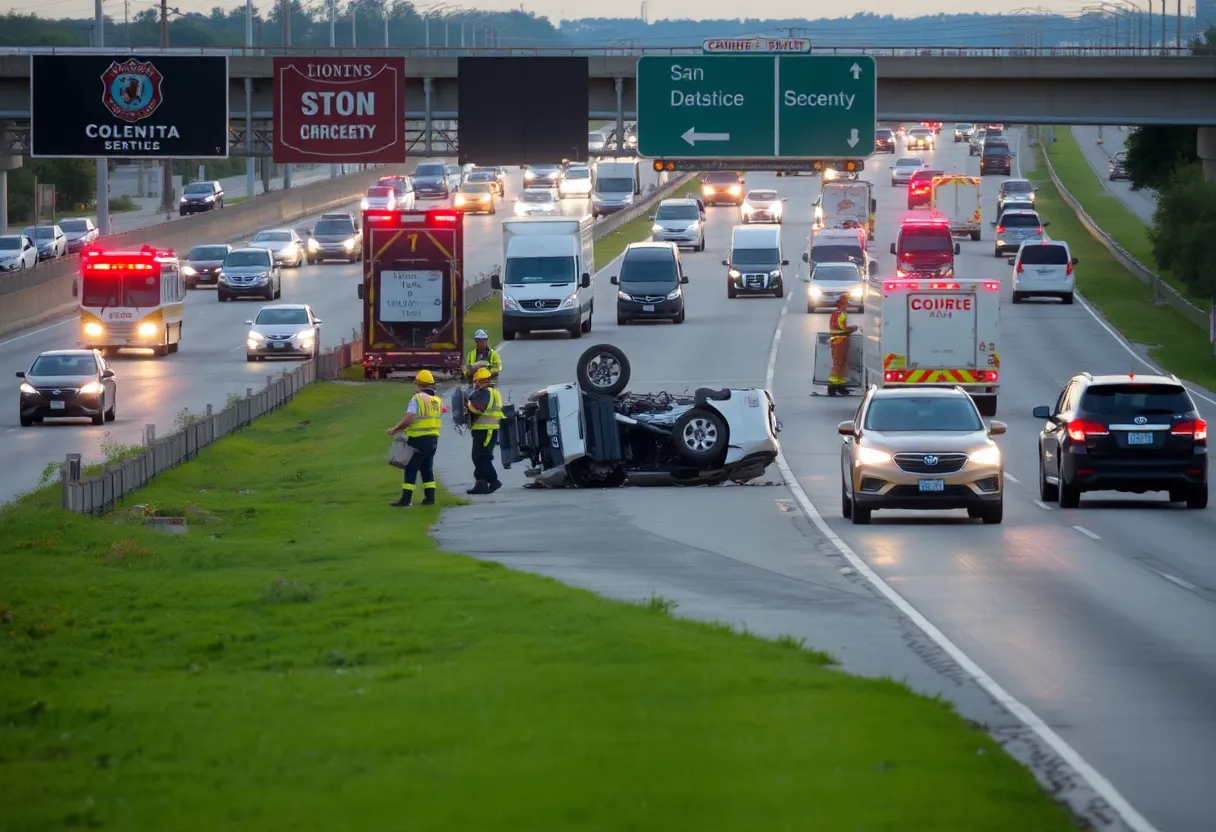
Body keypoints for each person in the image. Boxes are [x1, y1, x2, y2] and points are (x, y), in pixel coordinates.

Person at [386, 369, 442, 507]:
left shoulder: (417, 398)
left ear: (418, 384)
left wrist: (396, 429)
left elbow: (410, 418)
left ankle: (406, 500)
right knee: (427, 468)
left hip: (418, 439)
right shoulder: (437, 400)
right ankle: (430, 498)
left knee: (411, 468)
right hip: (433, 439)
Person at [464, 367, 503, 495]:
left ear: (481, 381)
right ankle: (481, 485)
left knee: (480, 457)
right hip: (489, 429)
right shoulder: (493, 391)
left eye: (476, 382)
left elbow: (479, 408)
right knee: (481, 456)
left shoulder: (484, 392)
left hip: (485, 429)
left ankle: (493, 480)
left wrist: (468, 404)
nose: (475, 384)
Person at [828, 295, 858, 396]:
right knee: (839, 363)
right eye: (845, 302)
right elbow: (842, 327)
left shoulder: (835, 314)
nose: (847, 305)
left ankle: (839, 385)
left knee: (840, 363)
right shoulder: (841, 314)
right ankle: (833, 386)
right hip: (840, 341)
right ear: (840, 303)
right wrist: (852, 329)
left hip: (837, 340)